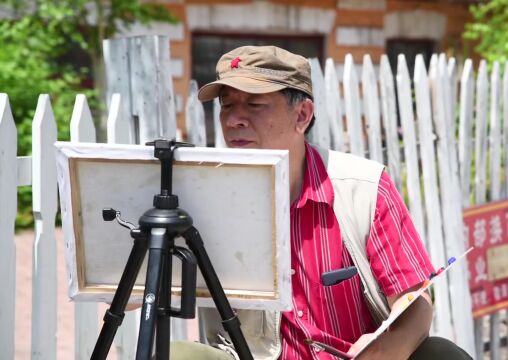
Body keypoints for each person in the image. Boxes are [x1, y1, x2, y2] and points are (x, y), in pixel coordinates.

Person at [172, 45, 472, 360]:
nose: (234, 119)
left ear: (302, 115)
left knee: (442, 354)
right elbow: (140, 293)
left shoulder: (364, 187)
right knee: (177, 354)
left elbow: (415, 299)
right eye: (226, 105)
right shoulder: (204, 196)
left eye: (255, 104)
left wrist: (388, 349)